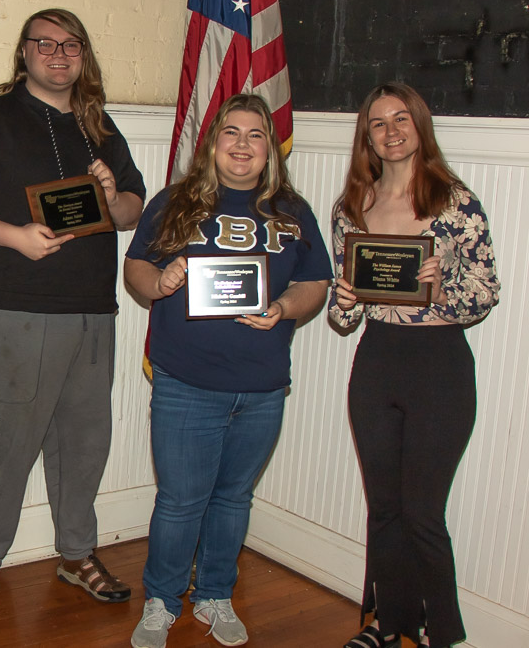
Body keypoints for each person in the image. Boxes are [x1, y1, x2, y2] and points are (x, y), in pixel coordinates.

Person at [0, 8, 146, 615]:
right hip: (15, 311)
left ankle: (77, 553)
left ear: (84, 55)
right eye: (44, 43)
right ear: (23, 53)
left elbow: (133, 208)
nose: (58, 54)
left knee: (84, 441)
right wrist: (15, 237)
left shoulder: (100, 127)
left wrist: (112, 198)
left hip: (92, 312)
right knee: (7, 442)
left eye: (70, 44)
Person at [124, 94, 332, 648]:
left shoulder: (293, 210)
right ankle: (161, 602)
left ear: (271, 148)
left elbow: (314, 283)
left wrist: (284, 308)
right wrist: (159, 282)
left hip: (262, 385)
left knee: (233, 499)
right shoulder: (175, 201)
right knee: (179, 500)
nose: (242, 145)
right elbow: (136, 267)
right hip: (186, 381)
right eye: (231, 133)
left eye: (255, 135)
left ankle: (215, 594)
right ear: (212, 143)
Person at [329, 83, 500, 648]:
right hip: (377, 360)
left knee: (423, 511)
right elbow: (341, 312)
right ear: (368, 138)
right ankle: (387, 621)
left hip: (438, 365)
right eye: (378, 123)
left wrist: (442, 286)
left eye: (402, 119)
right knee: (383, 507)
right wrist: (347, 301)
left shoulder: (455, 203)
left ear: (419, 125)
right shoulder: (352, 207)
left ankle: (440, 632)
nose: (392, 131)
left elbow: (485, 293)